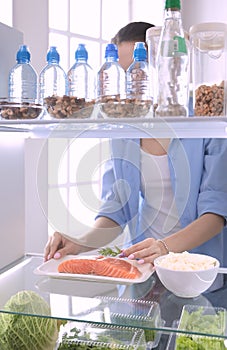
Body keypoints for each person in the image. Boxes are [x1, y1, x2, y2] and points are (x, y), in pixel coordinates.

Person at [44, 22, 227, 290]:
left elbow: (217, 210)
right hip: (142, 270)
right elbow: (118, 206)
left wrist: (165, 248)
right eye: (121, 73)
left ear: (161, 65)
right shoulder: (123, 128)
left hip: (197, 272)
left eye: (136, 70)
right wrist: (80, 241)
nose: (130, 82)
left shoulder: (202, 115)